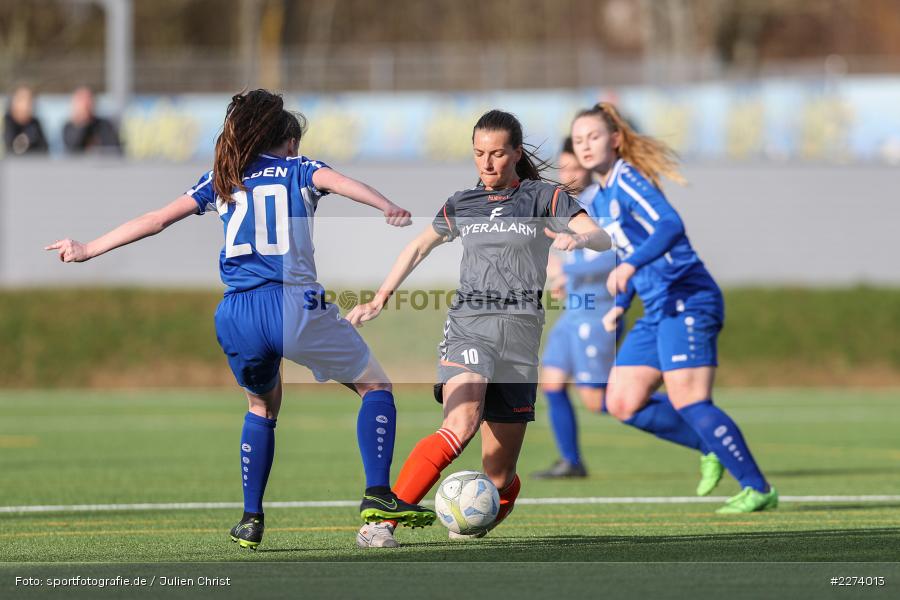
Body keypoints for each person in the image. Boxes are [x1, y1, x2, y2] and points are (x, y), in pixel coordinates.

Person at [46, 89, 435, 551]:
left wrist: (88, 249)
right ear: (287, 140)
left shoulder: (224, 177)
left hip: (238, 313)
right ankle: (377, 495)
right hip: (293, 304)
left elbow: (155, 219)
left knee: (261, 409)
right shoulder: (301, 168)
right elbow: (342, 182)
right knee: (376, 388)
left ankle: (251, 520)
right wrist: (385, 205)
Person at [347, 110, 611, 546]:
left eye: (497, 154)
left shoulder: (544, 198)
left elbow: (600, 235)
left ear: (515, 153)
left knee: (501, 477)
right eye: (479, 154)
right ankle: (380, 523)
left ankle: (471, 518)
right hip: (471, 329)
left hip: (521, 341)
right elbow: (418, 247)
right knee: (461, 424)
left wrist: (578, 238)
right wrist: (379, 299)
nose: (487, 163)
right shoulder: (461, 204)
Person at [571, 102, 777, 513]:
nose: (586, 146)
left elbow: (669, 225)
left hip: (687, 299)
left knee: (690, 401)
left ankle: (758, 488)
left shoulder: (628, 179)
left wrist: (628, 265)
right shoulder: (603, 193)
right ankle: (712, 443)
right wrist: (621, 303)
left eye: (593, 136)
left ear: (614, 139)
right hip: (656, 307)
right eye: (578, 140)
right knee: (621, 401)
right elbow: (630, 252)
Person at [531, 136, 619, 478]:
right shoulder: (568, 207)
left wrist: (566, 271)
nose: (567, 173)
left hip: (598, 311)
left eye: (574, 167)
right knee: (551, 383)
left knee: (598, 401)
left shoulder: (600, 203)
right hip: (574, 311)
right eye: (562, 167)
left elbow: (614, 256)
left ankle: (689, 414)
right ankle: (571, 461)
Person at [62, 86, 122, 154]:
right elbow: (73, 148)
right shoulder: (69, 127)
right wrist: (83, 122)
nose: (86, 104)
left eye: (88, 99)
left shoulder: (105, 125)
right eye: (82, 100)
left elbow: (114, 150)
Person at [3, 85, 48, 155]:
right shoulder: (7, 122)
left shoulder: (35, 123)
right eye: (24, 100)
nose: (28, 106)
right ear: (14, 102)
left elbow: (44, 148)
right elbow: (10, 147)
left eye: (30, 101)